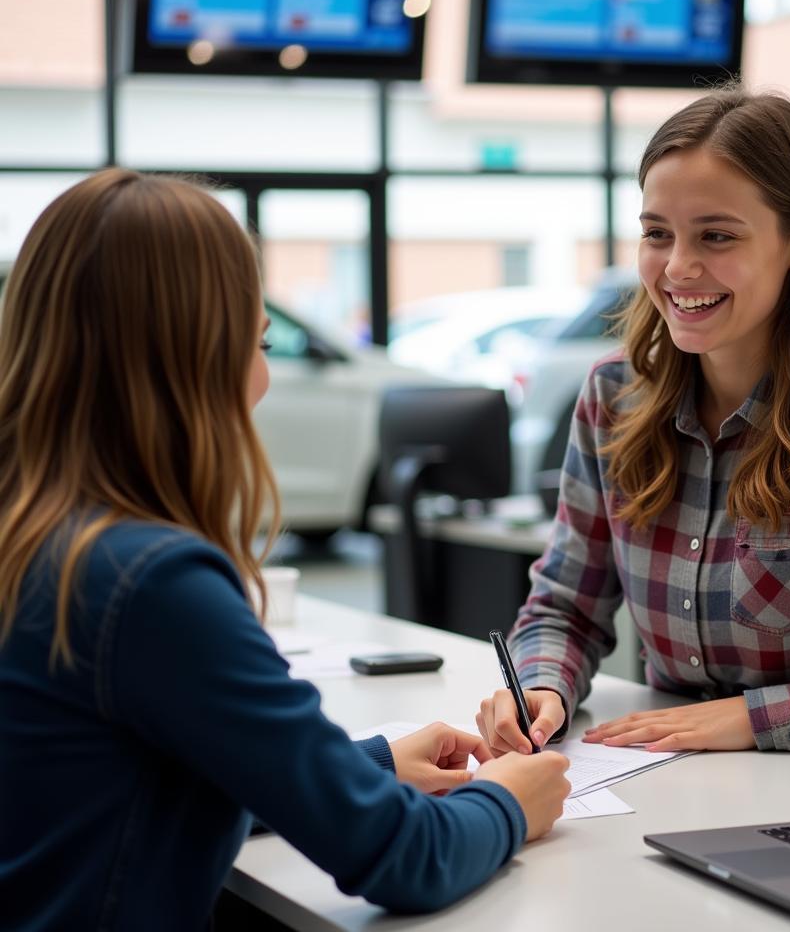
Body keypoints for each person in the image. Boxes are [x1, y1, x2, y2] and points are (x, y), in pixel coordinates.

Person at [0, 169, 570, 931]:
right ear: (199, 359)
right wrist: (506, 801)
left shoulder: (36, 536)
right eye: (257, 341)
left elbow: (153, 764)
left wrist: (365, 767)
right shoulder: (149, 583)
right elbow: (401, 855)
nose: (264, 376)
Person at [477, 86, 790, 763]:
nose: (678, 267)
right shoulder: (613, 396)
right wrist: (541, 687)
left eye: (716, 236)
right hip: (671, 775)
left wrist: (747, 720)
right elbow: (565, 608)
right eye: (657, 233)